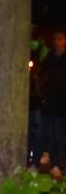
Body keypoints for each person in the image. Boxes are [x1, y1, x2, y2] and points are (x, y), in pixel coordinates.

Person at [39, 32, 66, 179]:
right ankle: (48, 159)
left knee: (60, 134)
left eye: (60, 39)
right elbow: (42, 76)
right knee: (48, 132)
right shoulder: (48, 58)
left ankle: (58, 165)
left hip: (63, 104)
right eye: (54, 39)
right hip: (49, 103)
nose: (57, 42)